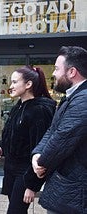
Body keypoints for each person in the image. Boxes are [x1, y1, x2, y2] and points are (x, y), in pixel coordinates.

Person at [0, 65, 56, 214]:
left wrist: (32, 185)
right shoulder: (19, 106)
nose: (11, 86)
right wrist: (0, 147)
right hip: (11, 169)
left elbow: (41, 149)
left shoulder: (39, 110)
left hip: (25, 172)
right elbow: (10, 133)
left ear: (28, 84)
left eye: (15, 82)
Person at [32, 46, 87, 214]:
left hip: (74, 192)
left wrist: (41, 163)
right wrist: (37, 153)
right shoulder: (72, 96)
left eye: (57, 69)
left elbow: (62, 137)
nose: (54, 74)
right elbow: (53, 130)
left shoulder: (83, 100)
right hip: (68, 188)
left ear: (72, 72)